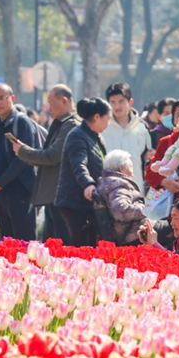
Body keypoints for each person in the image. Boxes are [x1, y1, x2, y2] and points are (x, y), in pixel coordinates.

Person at [12, 84, 80, 244]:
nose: (49, 108)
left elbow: (52, 156)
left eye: (51, 103)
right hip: (54, 194)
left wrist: (23, 151)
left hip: (62, 194)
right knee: (51, 243)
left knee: (61, 244)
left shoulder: (71, 124)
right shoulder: (64, 122)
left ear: (64, 100)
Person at [0, 83, 38, 241]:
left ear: (12, 98)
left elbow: (22, 158)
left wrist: (1, 181)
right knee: (7, 240)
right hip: (1, 191)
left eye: (2, 98)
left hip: (20, 190)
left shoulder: (21, 122)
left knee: (24, 240)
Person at [55, 98, 110, 247]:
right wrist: (88, 184)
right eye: (108, 119)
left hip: (88, 201)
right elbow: (79, 164)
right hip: (74, 201)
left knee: (90, 244)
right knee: (79, 245)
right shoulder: (77, 135)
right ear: (97, 117)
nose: (108, 123)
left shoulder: (96, 136)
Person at [103, 82, 152, 193]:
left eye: (121, 101)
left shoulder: (141, 126)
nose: (117, 106)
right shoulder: (103, 127)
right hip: (109, 189)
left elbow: (147, 155)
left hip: (136, 188)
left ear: (130, 102)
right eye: (112, 102)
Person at [97, 150, 152, 246]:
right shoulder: (119, 185)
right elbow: (121, 211)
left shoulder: (108, 182)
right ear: (121, 168)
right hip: (131, 233)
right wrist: (147, 208)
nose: (133, 172)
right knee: (168, 227)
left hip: (128, 230)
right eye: (131, 167)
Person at [144, 99, 179, 196]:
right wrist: (164, 182)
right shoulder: (166, 141)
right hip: (171, 202)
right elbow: (150, 171)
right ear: (174, 119)